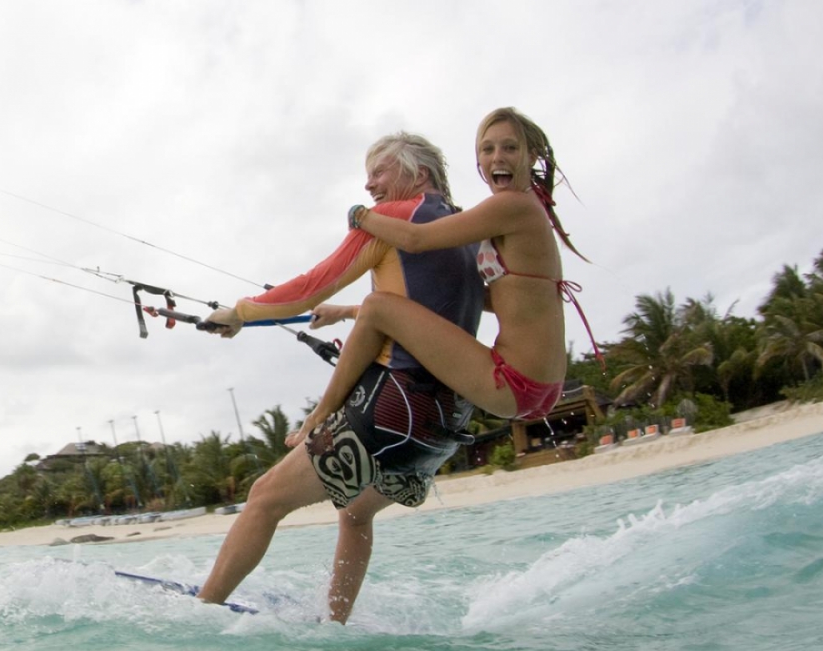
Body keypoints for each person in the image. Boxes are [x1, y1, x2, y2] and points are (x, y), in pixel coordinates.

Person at [197, 132, 484, 622]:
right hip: (443, 422)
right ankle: (336, 624)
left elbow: (311, 285)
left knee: (265, 497)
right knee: (356, 512)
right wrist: (351, 312)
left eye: (380, 171)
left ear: (417, 175)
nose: (369, 183)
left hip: (393, 406)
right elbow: (427, 310)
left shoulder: (394, 220)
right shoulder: (466, 231)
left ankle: (202, 611)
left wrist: (241, 313)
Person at [292, 107, 597, 455]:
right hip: (542, 384)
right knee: (382, 310)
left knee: (379, 306)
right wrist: (342, 312)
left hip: (512, 382)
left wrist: (360, 215)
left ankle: (321, 413)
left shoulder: (513, 206)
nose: (497, 157)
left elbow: (414, 239)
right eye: (487, 149)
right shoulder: (525, 209)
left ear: (532, 155)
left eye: (510, 148)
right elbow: (489, 299)